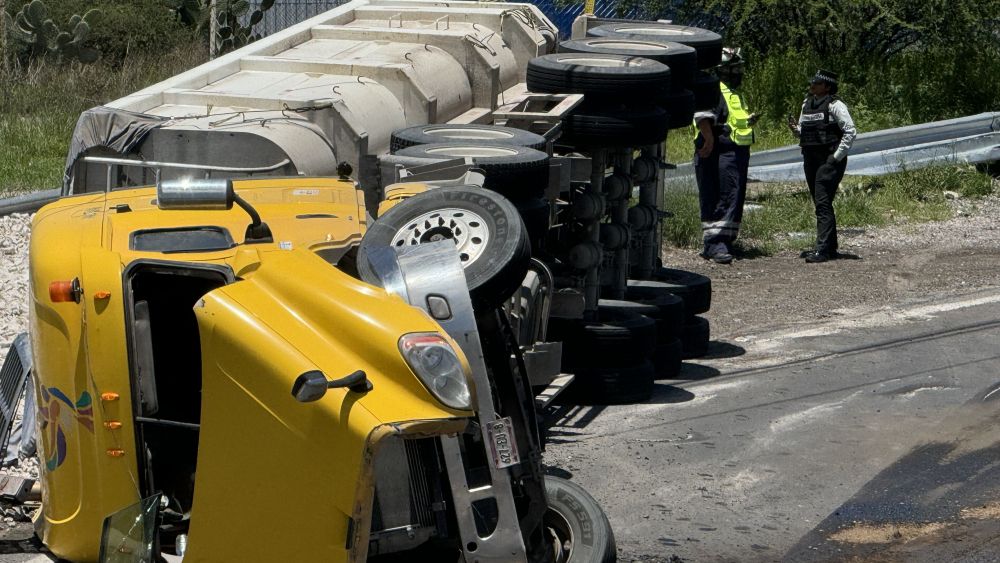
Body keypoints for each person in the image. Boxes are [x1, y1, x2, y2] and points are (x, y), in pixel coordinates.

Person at [693, 47, 759, 265]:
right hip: (718, 151)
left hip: (735, 151)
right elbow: (702, 117)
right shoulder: (713, 89)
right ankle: (715, 244)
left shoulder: (733, 92)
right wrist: (709, 139)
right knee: (719, 196)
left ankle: (727, 240)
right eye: (734, 69)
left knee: (733, 196)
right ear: (722, 70)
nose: (739, 72)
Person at [787, 69, 857, 263]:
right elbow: (805, 133)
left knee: (822, 202)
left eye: (817, 83)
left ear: (827, 86)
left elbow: (850, 132)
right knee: (821, 203)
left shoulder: (836, 105)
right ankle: (830, 247)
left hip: (829, 161)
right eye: (813, 83)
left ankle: (823, 250)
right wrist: (796, 130)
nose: (812, 86)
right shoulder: (806, 104)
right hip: (810, 159)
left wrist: (835, 157)